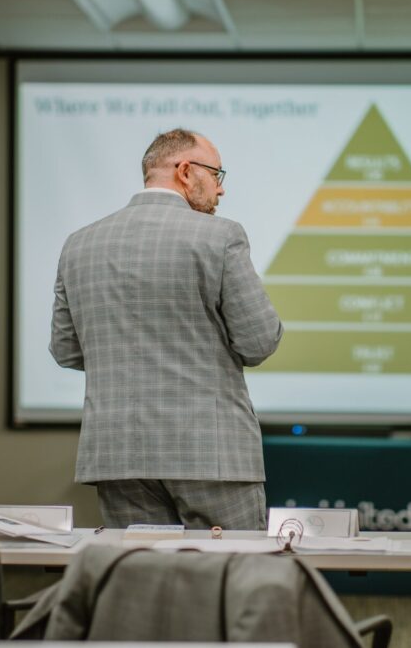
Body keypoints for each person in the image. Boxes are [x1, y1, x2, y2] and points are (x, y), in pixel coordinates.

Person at [50, 128, 283, 531]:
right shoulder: (221, 236)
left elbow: (66, 350)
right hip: (211, 456)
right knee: (230, 579)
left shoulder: (78, 244)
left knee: (143, 583)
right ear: (187, 171)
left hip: (117, 455)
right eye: (217, 175)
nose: (220, 190)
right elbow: (259, 342)